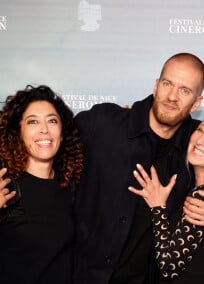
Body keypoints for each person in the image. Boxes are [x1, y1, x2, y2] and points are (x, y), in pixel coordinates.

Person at [73, 53, 204, 284]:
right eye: (167, 84)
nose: (172, 96)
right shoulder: (105, 123)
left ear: (196, 103)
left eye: (185, 90)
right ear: (156, 86)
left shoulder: (195, 143)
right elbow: (44, 140)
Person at [0, 85, 84, 284]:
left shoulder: (70, 187)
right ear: (18, 133)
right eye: (33, 122)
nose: (44, 129)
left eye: (52, 121)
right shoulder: (0, 183)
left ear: (62, 133)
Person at [129, 121, 204, 283]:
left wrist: (158, 208)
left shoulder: (201, 196)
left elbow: (169, 265)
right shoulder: (191, 187)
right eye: (200, 130)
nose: (201, 140)